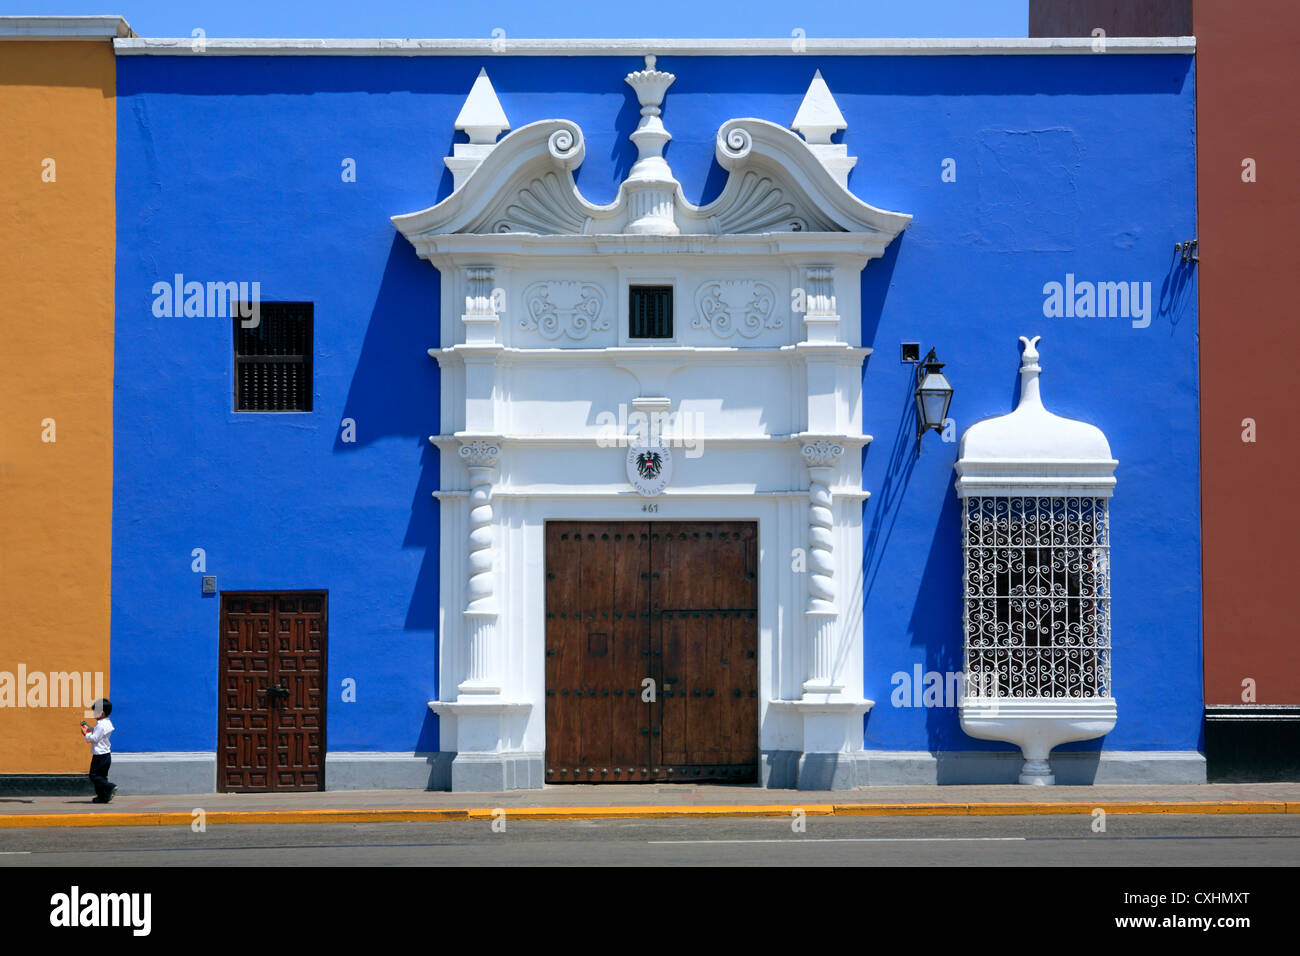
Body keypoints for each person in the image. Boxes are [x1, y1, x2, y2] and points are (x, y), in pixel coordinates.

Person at [81, 698, 116, 803]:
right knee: (102, 777)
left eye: (95, 712)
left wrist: (86, 734)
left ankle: (110, 787)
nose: (93, 714)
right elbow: (99, 734)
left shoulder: (101, 725)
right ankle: (103, 797)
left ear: (102, 713)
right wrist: (90, 729)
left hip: (99, 755)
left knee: (94, 775)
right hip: (106, 755)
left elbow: (94, 739)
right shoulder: (106, 723)